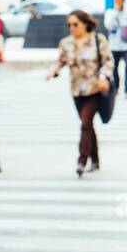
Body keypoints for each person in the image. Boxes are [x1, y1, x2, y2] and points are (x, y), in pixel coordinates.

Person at [48, 10, 114, 177]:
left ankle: (82, 160)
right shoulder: (66, 43)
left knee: (85, 123)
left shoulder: (98, 40)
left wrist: (104, 77)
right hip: (76, 90)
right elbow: (61, 61)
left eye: (75, 24)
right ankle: (95, 158)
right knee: (88, 125)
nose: (71, 27)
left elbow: (108, 61)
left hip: (94, 88)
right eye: (69, 24)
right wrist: (54, 71)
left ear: (85, 24)